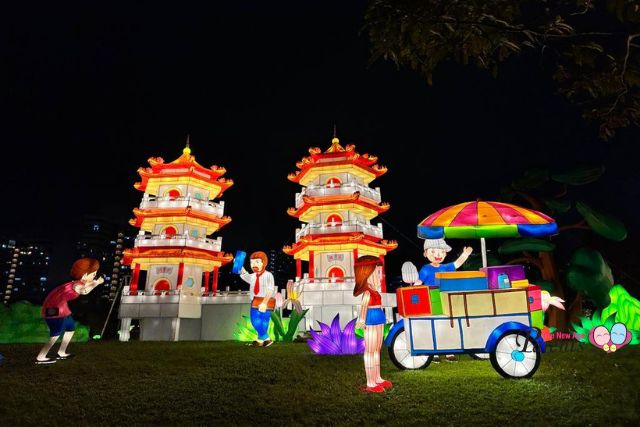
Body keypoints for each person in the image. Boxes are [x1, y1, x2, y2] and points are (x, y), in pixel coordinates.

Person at [36, 258, 104, 364]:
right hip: (54, 311)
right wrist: (96, 283)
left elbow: (84, 286)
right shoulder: (76, 285)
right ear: (85, 274)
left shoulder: (76, 283)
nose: (94, 276)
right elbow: (84, 291)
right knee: (55, 334)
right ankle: (41, 357)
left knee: (70, 329)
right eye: (93, 274)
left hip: (63, 311)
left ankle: (61, 352)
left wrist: (94, 282)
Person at [415, 238, 473, 362]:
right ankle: (435, 352)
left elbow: (456, 263)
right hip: (432, 299)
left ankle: (449, 351)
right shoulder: (426, 269)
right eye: (434, 252)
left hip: (446, 298)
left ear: (445, 253)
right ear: (426, 253)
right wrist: (412, 289)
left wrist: (465, 254)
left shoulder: (446, 267)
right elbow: (418, 283)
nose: (438, 255)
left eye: (441, 252)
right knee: (435, 324)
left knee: (448, 324)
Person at [354, 255, 391, 393]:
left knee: (377, 350)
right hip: (370, 320)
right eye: (377, 271)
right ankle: (370, 382)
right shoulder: (367, 293)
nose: (380, 275)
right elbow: (363, 307)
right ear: (368, 273)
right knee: (370, 350)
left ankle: (377, 378)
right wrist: (361, 321)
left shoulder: (375, 290)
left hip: (379, 319)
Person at [240, 251, 275, 347]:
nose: (253, 265)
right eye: (251, 263)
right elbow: (245, 275)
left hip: (265, 302)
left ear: (264, 262)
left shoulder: (269, 275)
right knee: (255, 321)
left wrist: (264, 302)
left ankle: (260, 341)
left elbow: (270, 289)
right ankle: (266, 338)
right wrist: (239, 265)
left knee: (264, 321)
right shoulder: (253, 276)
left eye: (257, 262)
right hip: (254, 302)